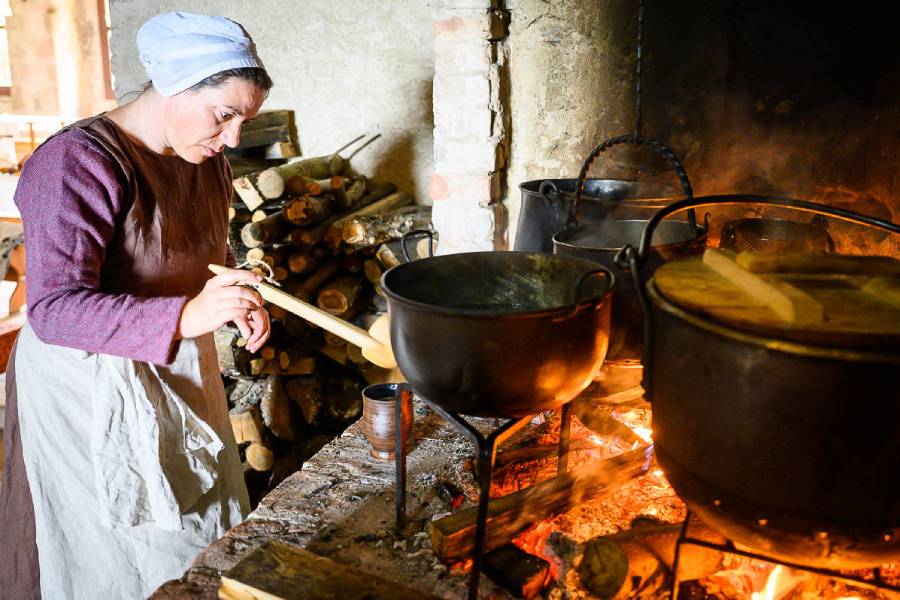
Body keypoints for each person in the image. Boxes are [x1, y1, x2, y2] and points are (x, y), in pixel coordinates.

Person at [0, 12, 272, 599]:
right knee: (116, 557)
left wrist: (235, 292)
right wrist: (186, 316)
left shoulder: (205, 159)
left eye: (242, 122)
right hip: (87, 391)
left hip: (176, 370)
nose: (232, 138)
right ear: (175, 86)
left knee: (203, 539)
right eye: (224, 114)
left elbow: (200, 257)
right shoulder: (76, 164)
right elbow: (54, 310)